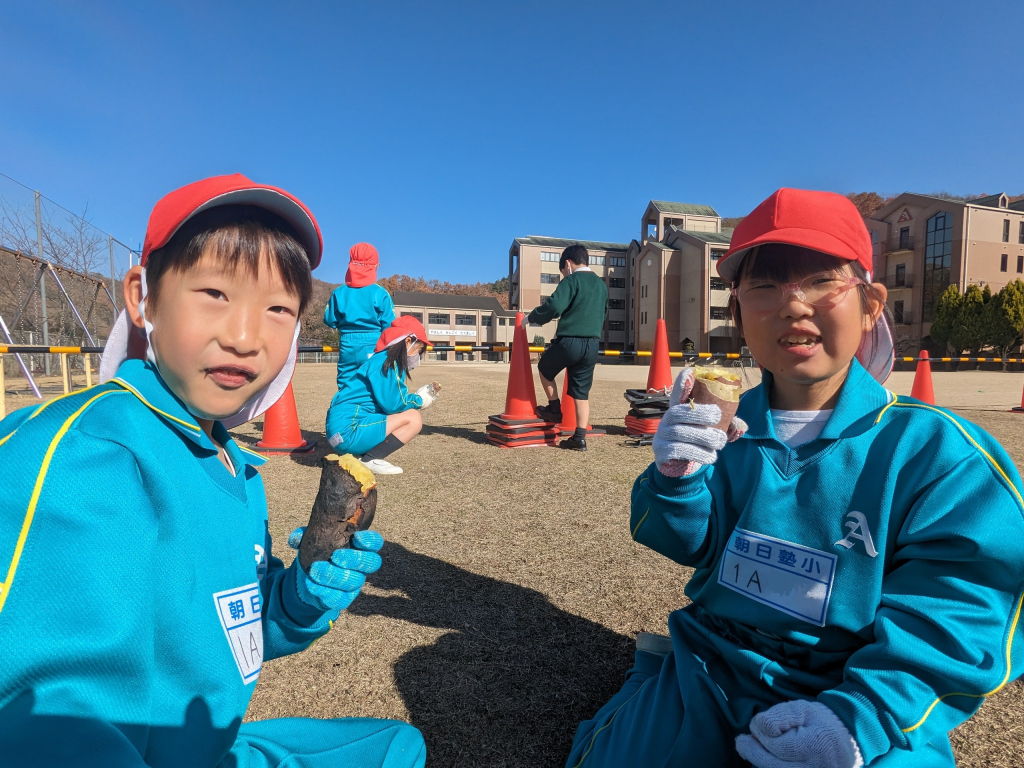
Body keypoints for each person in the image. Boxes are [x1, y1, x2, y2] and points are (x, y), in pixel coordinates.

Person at [566, 188, 1024, 768]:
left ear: (870, 304)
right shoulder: (722, 425)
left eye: (820, 281)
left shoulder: (934, 450)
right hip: (717, 658)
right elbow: (686, 545)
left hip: (856, 678)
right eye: (764, 287)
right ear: (737, 311)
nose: (793, 305)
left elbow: (967, 601)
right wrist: (675, 480)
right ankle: (653, 676)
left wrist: (859, 721)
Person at [0, 174, 426, 768]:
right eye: (214, 293)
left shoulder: (229, 460)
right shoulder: (87, 455)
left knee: (396, 747)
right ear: (143, 297)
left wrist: (296, 600)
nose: (246, 337)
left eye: (278, 307)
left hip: (206, 748)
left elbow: (226, 628)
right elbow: (44, 716)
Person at [325, 315, 435, 475]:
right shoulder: (387, 362)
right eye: (418, 350)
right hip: (348, 431)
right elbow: (394, 403)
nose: (416, 357)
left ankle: (363, 454)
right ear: (408, 341)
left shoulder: (379, 359)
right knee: (413, 418)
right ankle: (371, 458)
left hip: (340, 431)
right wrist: (420, 400)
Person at [524, 243, 608, 451]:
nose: (563, 275)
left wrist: (532, 317)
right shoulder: (601, 285)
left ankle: (554, 409)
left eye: (563, 271)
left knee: (545, 368)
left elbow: (554, 306)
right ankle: (579, 438)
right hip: (592, 344)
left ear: (568, 264)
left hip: (570, 340)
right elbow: (604, 313)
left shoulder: (571, 280)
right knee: (581, 392)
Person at [323, 242, 395, 386]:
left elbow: (329, 319)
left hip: (347, 344)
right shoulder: (380, 293)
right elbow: (389, 325)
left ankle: (345, 406)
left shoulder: (338, 293)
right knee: (375, 382)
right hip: (374, 343)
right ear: (374, 266)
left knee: (346, 383)